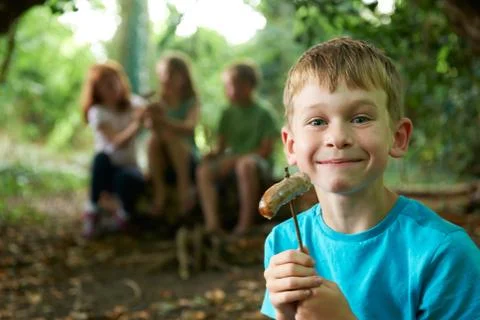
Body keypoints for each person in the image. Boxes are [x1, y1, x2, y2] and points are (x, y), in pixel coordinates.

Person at [261, 37, 480, 319]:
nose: (338, 138)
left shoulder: (444, 253)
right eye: (317, 121)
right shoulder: (283, 241)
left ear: (398, 138)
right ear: (291, 145)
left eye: (361, 118)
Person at [196, 61, 279, 236]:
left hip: (256, 164)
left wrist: (236, 159)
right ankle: (212, 225)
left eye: (234, 84)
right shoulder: (227, 113)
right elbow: (221, 147)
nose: (229, 89)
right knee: (204, 171)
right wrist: (211, 156)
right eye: (227, 85)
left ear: (249, 85)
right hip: (233, 162)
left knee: (245, 165)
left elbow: (266, 150)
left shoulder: (264, 113)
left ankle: (244, 225)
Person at [81, 61, 146, 238]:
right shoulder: (97, 112)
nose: (112, 87)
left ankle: (123, 215)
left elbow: (149, 116)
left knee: (128, 178)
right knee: (100, 158)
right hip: (107, 170)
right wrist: (137, 123)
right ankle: (92, 210)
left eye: (114, 81)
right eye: (106, 84)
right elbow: (116, 142)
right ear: (97, 89)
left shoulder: (135, 103)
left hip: (129, 168)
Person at [145, 52, 200, 216]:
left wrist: (163, 121)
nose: (166, 78)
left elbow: (189, 127)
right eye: (163, 74)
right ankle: (159, 191)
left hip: (187, 156)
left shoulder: (191, 102)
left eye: (171, 74)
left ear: (183, 77)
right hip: (162, 158)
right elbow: (151, 129)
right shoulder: (158, 101)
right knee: (153, 141)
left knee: (171, 138)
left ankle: (185, 189)